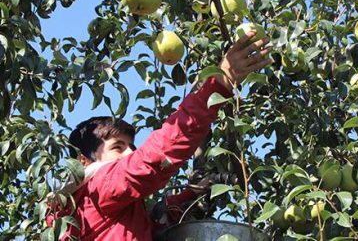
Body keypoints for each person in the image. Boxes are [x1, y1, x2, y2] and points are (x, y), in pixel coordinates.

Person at [47, 32, 271, 240]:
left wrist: (187, 196)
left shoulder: (89, 208)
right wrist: (220, 81)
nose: (130, 153)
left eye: (131, 146)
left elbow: (147, 226)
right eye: (117, 147)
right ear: (83, 162)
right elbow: (155, 157)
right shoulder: (98, 188)